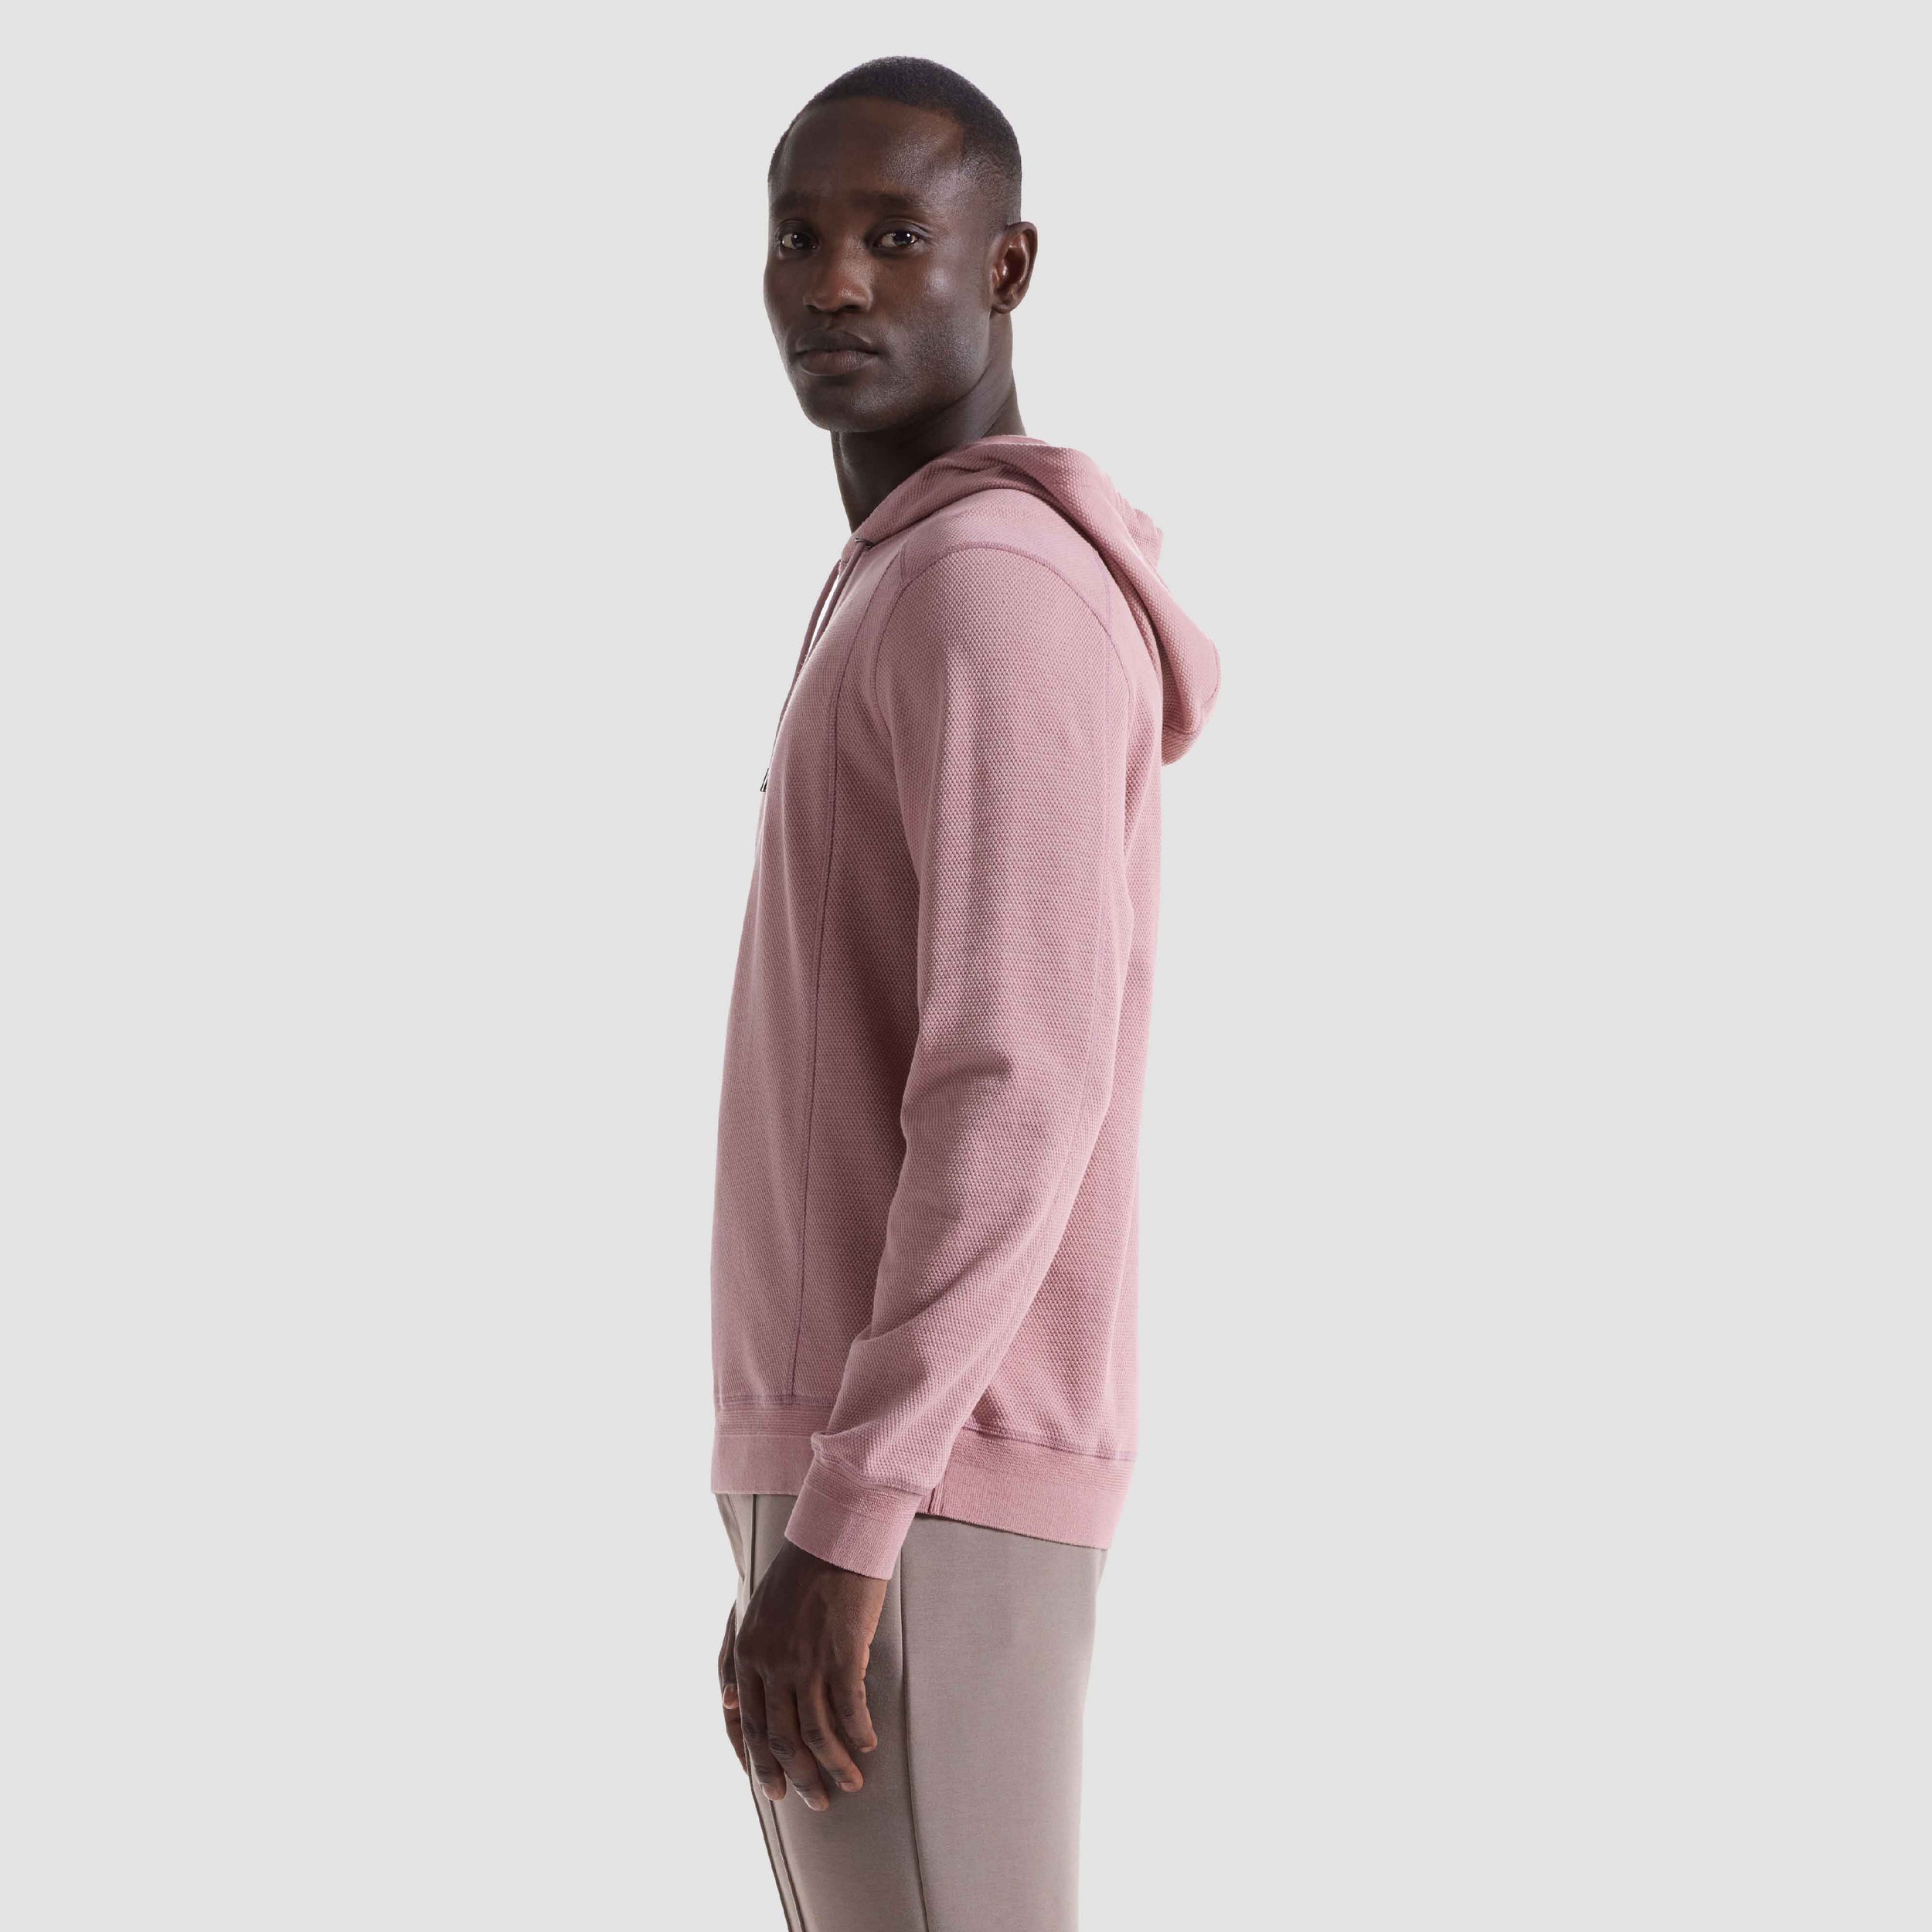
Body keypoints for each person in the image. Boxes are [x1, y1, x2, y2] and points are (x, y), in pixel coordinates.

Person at [709, 55, 1220, 1930]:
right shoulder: (903, 576)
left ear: (1003, 269)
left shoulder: (991, 588)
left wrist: (851, 1511)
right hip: (871, 1452)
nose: (833, 281)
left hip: (920, 1468)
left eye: (892, 236)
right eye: (798, 236)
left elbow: (1019, 1072)